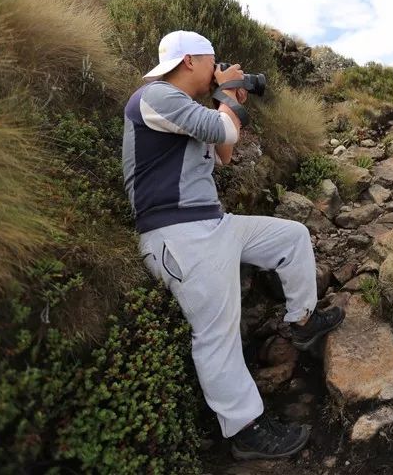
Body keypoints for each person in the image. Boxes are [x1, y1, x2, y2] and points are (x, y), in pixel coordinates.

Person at [123, 30, 345, 460]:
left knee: (292, 237)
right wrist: (227, 98)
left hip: (212, 224)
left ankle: (301, 322)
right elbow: (224, 126)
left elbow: (225, 149)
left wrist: (229, 95)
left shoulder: (184, 108)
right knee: (216, 332)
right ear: (190, 61)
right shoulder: (155, 97)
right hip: (178, 236)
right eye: (213, 61)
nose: (216, 68)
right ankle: (245, 430)